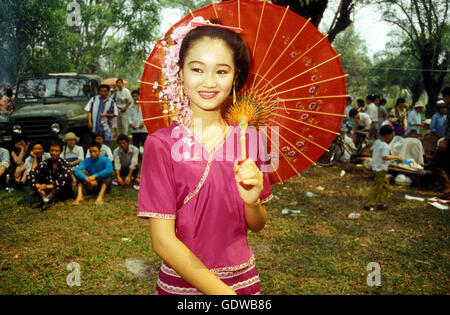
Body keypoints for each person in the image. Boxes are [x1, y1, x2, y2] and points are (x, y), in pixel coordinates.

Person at [137, 19, 273, 295]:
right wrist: (223, 295)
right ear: (180, 72)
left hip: (243, 281)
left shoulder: (250, 140)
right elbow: (163, 241)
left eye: (221, 71)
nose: (209, 82)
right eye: (197, 69)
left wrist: (252, 201)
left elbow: (257, 225)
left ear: (235, 76)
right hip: (183, 285)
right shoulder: (161, 144)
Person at [364, 125, 407, 211]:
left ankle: (381, 203)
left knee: (385, 186)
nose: (391, 137)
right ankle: (369, 204)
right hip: (380, 169)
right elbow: (385, 157)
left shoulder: (377, 142)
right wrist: (397, 157)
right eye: (391, 135)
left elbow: (371, 150)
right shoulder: (384, 146)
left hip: (376, 167)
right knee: (377, 187)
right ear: (387, 135)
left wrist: (376, 157)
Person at [28, 141, 73, 210]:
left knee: (62, 181)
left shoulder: (65, 164)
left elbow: (61, 182)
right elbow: (32, 174)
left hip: (60, 190)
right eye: (51, 150)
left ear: (60, 152)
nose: (53, 153)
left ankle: (47, 199)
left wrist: (46, 187)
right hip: (47, 188)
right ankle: (45, 198)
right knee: (34, 176)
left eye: (56, 151)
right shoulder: (45, 163)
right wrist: (37, 184)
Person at [430, 87, 450, 199]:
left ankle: (448, 189)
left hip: (447, 140)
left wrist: (446, 139)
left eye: (445, 97)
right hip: (443, 138)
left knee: (435, 163)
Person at [128, 89, 148, 156]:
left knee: (145, 144)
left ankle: (146, 157)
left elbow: (147, 115)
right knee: (135, 144)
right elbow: (129, 117)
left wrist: (144, 122)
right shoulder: (130, 107)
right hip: (135, 129)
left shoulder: (144, 105)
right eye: (133, 96)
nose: (135, 98)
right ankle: (137, 157)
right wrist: (131, 123)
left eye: (136, 96)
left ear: (139, 96)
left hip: (143, 129)